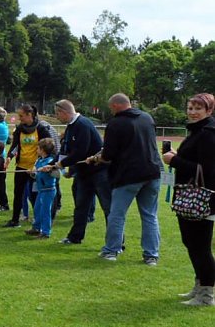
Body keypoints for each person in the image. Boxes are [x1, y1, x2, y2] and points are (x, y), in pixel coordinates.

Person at [89, 93, 162, 264]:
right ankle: (151, 255)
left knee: (117, 214)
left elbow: (108, 155)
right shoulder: (146, 117)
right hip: (152, 171)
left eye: (110, 108)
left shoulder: (116, 123)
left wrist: (97, 158)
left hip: (128, 175)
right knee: (150, 215)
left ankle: (112, 250)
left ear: (115, 106)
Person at [162, 93, 215, 306]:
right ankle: (200, 285)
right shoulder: (197, 131)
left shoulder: (208, 134)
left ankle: (207, 294)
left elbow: (208, 171)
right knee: (191, 243)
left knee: (200, 245)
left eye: (197, 109)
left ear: (209, 111)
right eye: (190, 107)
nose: (192, 112)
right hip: (188, 196)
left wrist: (175, 160)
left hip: (202, 199)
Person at [53, 99, 112, 245]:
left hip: (99, 172)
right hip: (83, 173)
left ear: (64, 112)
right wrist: (56, 165)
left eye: (57, 113)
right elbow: (66, 150)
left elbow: (81, 152)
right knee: (81, 206)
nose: (57, 117)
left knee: (108, 208)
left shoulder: (82, 124)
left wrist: (61, 164)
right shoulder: (70, 127)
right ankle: (75, 237)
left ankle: (116, 242)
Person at [3, 104, 54, 228]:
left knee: (35, 195)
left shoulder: (41, 128)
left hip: (36, 169)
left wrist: (41, 164)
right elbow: (15, 145)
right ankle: (15, 220)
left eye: (21, 116)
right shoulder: (20, 128)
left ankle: (40, 221)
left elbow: (48, 147)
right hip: (21, 166)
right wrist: (10, 157)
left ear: (29, 115)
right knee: (18, 193)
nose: (19, 118)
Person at [27, 138, 61, 239]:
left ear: (42, 150)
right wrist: (32, 173)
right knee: (37, 209)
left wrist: (49, 169)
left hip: (49, 190)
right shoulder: (39, 160)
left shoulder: (50, 161)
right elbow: (37, 175)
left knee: (45, 211)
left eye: (38, 148)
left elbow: (57, 175)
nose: (36, 150)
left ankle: (46, 232)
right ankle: (36, 228)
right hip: (40, 190)